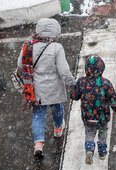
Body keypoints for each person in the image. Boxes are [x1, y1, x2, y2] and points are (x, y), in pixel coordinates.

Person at [17, 18, 75, 159]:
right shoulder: (56, 48)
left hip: (36, 89)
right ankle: (57, 129)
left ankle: (38, 144)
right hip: (54, 88)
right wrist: (73, 83)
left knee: (38, 115)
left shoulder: (28, 45)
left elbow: (20, 64)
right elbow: (64, 71)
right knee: (57, 109)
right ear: (55, 32)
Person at [70, 55, 116, 165]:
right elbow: (113, 99)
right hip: (102, 118)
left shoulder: (81, 82)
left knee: (89, 132)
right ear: (101, 68)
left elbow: (74, 96)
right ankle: (102, 152)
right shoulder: (106, 84)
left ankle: (89, 149)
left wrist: (75, 90)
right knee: (102, 132)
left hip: (88, 117)